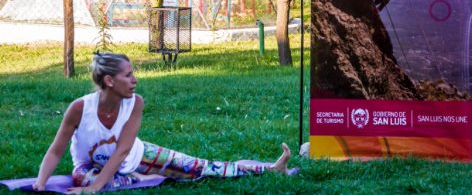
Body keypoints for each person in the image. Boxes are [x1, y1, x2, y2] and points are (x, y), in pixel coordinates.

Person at [33, 52, 293, 193]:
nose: (134, 79)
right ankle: (139, 179)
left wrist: (96, 190)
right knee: (87, 182)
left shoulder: (136, 102)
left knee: (201, 168)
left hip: (136, 156)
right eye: (128, 75)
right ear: (110, 81)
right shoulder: (80, 108)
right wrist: (41, 183)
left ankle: (270, 168)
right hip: (89, 166)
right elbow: (57, 149)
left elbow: (123, 149)